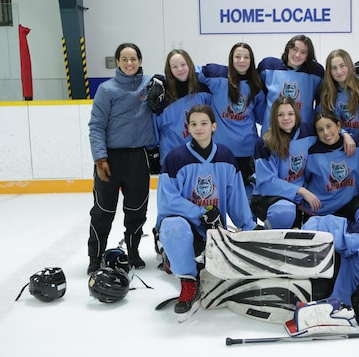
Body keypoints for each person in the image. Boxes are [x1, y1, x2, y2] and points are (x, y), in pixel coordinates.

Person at [156, 104, 257, 322]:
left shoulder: (226, 156)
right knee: (174, 228)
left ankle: (179, 259)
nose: (198, 128)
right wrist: (201, 212)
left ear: (213, 126)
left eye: (203, 123)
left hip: (212, 230)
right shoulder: (175, 158)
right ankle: (188, 280)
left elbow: (236, 197)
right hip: (183, 226)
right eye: (193, 124)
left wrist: (249, 229)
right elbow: (167, 201)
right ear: (188, 128)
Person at [87, 42, 154, 274]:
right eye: (124, 59)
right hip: (111, 159)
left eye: (133, 58)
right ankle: (95, 257)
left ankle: (133, 252)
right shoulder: (107, 90)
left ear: (140, 60)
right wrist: (100, 158)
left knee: (137, 210)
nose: (129, 63)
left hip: (138, 158)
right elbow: (96, 126)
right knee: (103, 211)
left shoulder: (150, 85)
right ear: (117, 62)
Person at [250, 96, 356, 229]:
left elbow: (328, 129)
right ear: (274, 117)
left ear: (296, 114)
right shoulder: (265, 143)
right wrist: (300, 190)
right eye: (280, 114)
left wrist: (345, 134)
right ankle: (269, 236)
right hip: (268, 196)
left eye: (290, 113)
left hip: (296, 198)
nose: (286, 118)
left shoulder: (307, 132)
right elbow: (266, 183)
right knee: (284, 212)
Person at [198, 42, 265, 200]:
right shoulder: (217, 79)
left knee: (247, 195)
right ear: (231, 59)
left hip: (247, 150)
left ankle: (249, 225)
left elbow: (262, 117)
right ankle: (218, 225)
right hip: (221, 151)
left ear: (251, 60)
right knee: (218, 194)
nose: (242, 60)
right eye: (237, 56)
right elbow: (186, 71)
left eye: (246, 57)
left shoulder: (256, 86)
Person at [302, 110, 359, 223]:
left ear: (338, 125)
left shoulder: (357, 145)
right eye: (320, 130)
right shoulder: (311, 153)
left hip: (350, 202)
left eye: (329, 126)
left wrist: (345, 134)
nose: (326, 132)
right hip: (322, 207)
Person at [148, 49, 212, 167]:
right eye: (175, 66)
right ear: (169, 69)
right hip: (172, 158)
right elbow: (154, 130)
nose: (180, 69)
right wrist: (152, 152)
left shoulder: (203, 89)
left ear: (190, 64)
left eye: (183, 64)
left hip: (201, 156)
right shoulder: (161, 96)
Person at [257, 34, 324, 134]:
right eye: (294, 49)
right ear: (288, 49)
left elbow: (321, 104)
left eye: (303, 52)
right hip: (272, 134)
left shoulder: (316, 73)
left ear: (308, 56)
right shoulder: (268, 67)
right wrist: (268, 120)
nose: (297, 55)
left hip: (303, 134)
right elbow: (257, 98)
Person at [319, 49, 359, 140]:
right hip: (340, 144)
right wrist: (344, 134)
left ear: (350, 66)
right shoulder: (326, 91)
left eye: (342, 66)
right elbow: (323, 122)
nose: (339, 71)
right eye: (334, 68)